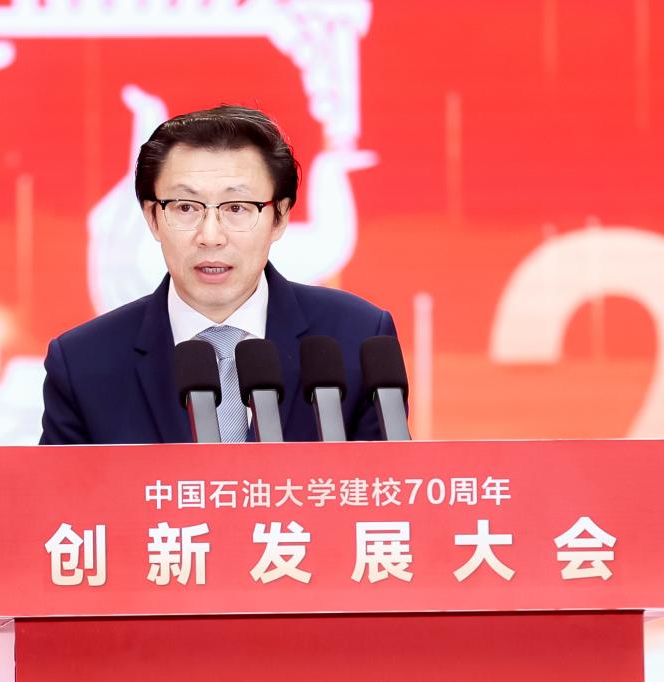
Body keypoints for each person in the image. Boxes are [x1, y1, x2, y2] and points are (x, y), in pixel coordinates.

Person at [40, 105, 398, 445]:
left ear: (280, 217)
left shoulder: (358, 337)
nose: (210, 236)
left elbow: (391, 482)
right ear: (152, 218)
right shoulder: (83, 362)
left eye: (237, 207)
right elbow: (59, 490)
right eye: (185, 207)